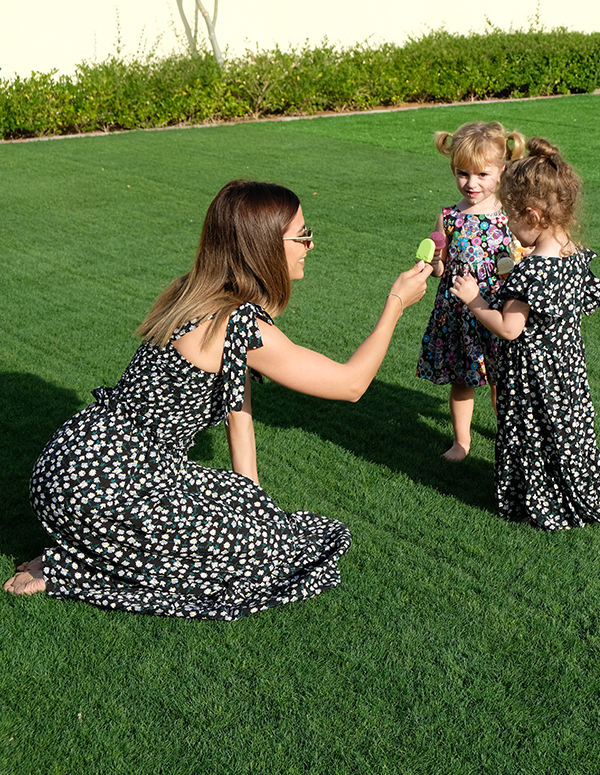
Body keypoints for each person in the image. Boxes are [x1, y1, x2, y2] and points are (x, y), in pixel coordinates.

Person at [4, 179, 431, 617]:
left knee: (259, 528)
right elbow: (350, 384)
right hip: (108, 487)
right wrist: (396, 303)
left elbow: (236, 407)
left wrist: (255, 504)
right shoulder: (237, 321)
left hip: (74, 463)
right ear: (264, 245)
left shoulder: (193, 290)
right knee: (256, 564)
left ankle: (89, 543)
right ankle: (66, 567)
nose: (310, 244)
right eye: (301, 235)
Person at [451, 138, 600, 531]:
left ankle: (538, 503)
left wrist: (475, 298)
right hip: (566, 368)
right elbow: (586, 298)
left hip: (532, 376)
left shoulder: (531, 269)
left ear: (532, 215)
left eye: (512, 219)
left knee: (533, 435)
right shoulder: (575, 252)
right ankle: (576, 491)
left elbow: (509, 328)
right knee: (566, 434)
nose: (510, 229)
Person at [417, 121, 526, 461]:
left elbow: (521, 257)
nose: (471, 183)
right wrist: (434, 261)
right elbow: (441, 270)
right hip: (458, 312)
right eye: (462, 174)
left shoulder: (511, 217)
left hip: (497, 309)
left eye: (481, 174)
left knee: (500, 380)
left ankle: (507, 435)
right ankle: (461, 442)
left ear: (501, 170)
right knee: (462, 380)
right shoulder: (448, 217)